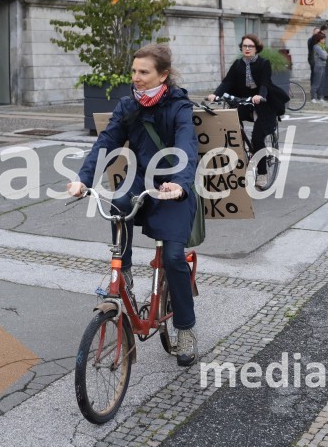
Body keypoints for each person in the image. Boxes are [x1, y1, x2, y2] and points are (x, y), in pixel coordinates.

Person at [67, 44, 199, 367]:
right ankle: (122, 271)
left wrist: (180, 184)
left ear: (162, 75)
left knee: (172, 256)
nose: (136, 78)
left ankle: (185, 328)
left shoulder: (179, 106)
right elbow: (105, 143)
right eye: (134, 71)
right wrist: (83, 179)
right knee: (119, 201)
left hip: (173, 188)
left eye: (144, 72)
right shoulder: (128, 106)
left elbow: (186, 144)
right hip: (142, 181)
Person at [207, 34, 278, 190]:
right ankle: (240, 163)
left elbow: (265, 83)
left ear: (256, 48)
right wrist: (216, 94)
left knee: (258, 138)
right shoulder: (238, 64)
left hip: (263, 103)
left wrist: (261, 96)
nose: (247, 49)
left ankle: (262, 173)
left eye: (250, 46)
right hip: (244, 102)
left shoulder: (263, 63)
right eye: (244, 46)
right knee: (232, 129)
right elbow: (227, 81)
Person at [310, 31, 328, 103]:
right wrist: (325, 55)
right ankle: (313, 98)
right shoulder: (317, 47)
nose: (324, 40)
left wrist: (325, 54)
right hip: (318, 66)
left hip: (323, 66)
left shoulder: (322, 47)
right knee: (316, 82)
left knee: (322, 83)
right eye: (323, 39)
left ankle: (320, 97)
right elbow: (324, 56)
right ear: (319, 39)